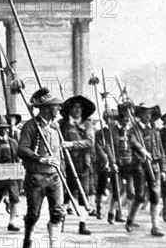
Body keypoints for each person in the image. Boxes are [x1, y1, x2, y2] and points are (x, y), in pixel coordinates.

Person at [18, 88, 65, 248]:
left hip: (55, 177)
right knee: (33, 214)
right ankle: (28, 237)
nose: (59, 108)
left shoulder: (56, 127)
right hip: (35, 177)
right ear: (45, 108)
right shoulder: (31, 126)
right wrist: (41, 159)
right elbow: (22, 149)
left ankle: (54, 244)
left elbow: (60, 154)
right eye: (55, 106)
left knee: (58, 212)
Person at [126, 104, 166, 236]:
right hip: (139, 166)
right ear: (139, 115)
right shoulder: (133, 129)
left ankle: (155, 226)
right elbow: (132, 142)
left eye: (149, 113)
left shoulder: (155, 131)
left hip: (154, 167)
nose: (147, 115)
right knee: (140, 196)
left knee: (155, 196)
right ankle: (130, 220)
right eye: (144, 113)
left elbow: (160, 151)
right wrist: (143, 151)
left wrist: (163, 169)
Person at [59, 95, 96, 235]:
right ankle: (60, 222)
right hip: (66, 163)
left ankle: (82, 224)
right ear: (69, 109)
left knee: (83, 193)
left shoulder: (87, 124)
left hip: (82, 163)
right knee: (64, 193)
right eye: (74, 107)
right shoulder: (62, 124)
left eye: (80, 107)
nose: (77, 110)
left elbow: (90, 142)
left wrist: (72, 144)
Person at [0, 115, 21, 232]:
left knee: (15, 197)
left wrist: (19, 172)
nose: (3, 130)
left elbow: (17, 159)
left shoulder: (13, 142)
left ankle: (12, 222)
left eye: (4, 128)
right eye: (0, 128)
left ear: (7, 129)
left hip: (11, 173)